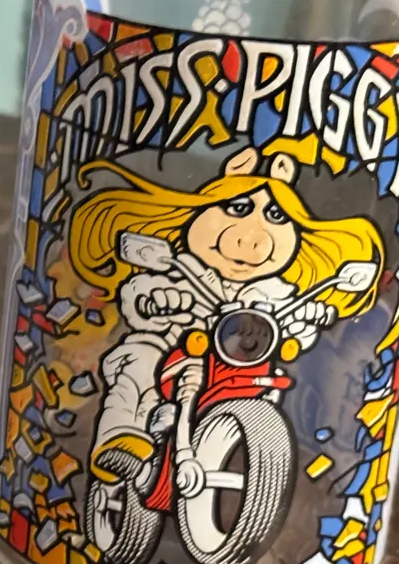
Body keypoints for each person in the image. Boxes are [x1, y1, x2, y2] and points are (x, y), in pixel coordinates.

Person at [70, 146, 384, 494]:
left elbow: (291, 317)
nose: (253, 239)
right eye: (237, 209)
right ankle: (120, 436)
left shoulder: (275, 290)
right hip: (174, 347)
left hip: (235, 358)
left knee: (274, 381)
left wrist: (308, 316)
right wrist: (157, 299)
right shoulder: (181, 268)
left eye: (277, 216)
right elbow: (140, 291)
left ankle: (255, 475)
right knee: (140, 361)